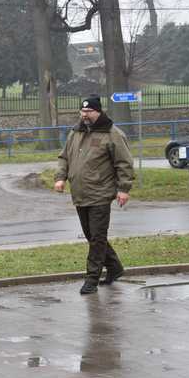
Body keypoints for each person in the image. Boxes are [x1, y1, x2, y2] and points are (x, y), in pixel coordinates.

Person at [54, 95, 134, 295]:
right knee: (92, 236)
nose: (84, 115)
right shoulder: (76, 132)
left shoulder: (112, 134)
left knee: (97, 237)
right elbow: (64, 157)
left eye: (88, 112)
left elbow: (124, 163)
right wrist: (60, 177)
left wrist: (124, 189)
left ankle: (91, 279)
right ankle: (115, 267)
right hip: (80, 193)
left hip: (100, 193)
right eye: (82, 111)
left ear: (98, 111)